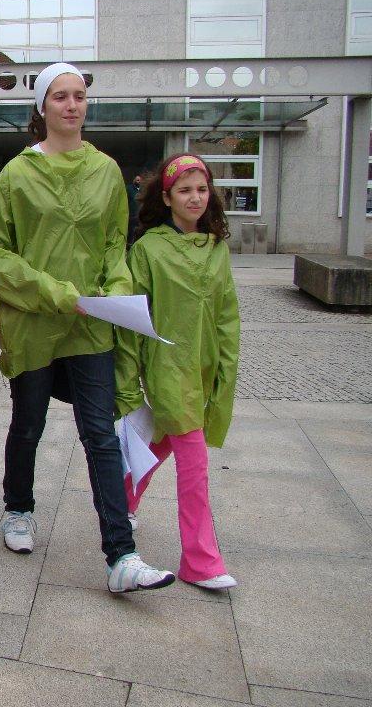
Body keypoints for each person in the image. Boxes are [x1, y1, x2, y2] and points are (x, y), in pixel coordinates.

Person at [0, 62, 175, 593]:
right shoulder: (17, 175)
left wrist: (112, 291)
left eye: (79, 96)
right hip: (36, 324)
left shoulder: (107, 171)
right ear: (41, 108)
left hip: (92, 327)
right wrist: (62, 296)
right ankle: (19, 508)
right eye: (59, 96)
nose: (71, 104)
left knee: (100, 435)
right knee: (28, 426)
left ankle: (121, 554)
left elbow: (115, 243)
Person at [115, 154, 239, 590]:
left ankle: (119, 504)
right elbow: (132, 321)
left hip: (203, 371)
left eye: (201, 189)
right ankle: (200, 560)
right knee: (195, 465)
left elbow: (227, 315)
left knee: (159, 445)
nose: (195, 197)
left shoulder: (217, 247)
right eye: (184, 190)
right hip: (167, 371)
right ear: (166, 197)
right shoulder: (148, 249)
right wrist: (128, 386)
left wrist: (225, 370)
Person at [126, 174, 142, 246]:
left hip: (140, 214)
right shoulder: (129, 189)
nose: (138, 181)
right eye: (137, 180)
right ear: (134, 180)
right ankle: (129, 245)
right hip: (132, 214)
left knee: (140, 230)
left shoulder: (142, 189)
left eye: (140, 180)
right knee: (131, 231)